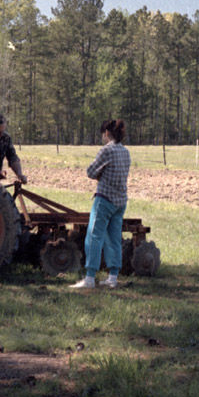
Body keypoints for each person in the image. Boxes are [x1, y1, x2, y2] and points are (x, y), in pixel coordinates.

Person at [70, 119, 130, 289]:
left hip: (105, 199)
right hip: (120, 201)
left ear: (106, 134)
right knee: (114, 239)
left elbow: (90, 171)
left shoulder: (106, 150)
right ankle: (113, 277)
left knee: (94, 236)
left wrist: (100, 174)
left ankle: (89, 278)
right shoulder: (126, 152)